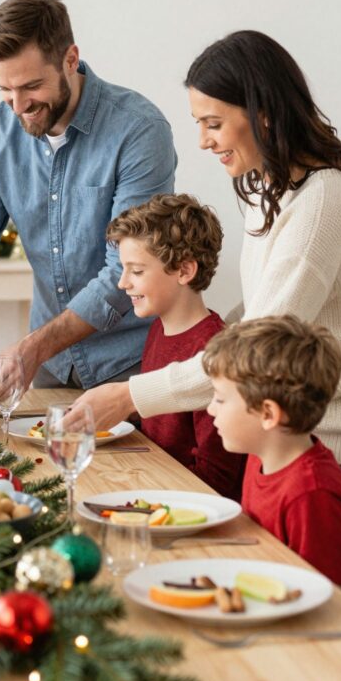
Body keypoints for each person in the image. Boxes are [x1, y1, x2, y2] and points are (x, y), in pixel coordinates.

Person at [72, 30, 341, 503]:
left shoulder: (324, 200)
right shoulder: (266, 189)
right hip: (293, 437)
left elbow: (261, 347)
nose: (203, 142)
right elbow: (260, 308)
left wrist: (130, 395)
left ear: (262, 115)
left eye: (213, 123)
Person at [0, 0, 176, 390]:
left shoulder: (138, 130)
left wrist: (34, 347)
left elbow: (125, 270)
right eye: (3, 89)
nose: (17, 106)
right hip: (50, 369)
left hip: (129, 366)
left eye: (31, 86)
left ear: (70, 59)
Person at [203, 316, 341, 600]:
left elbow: (336, 604)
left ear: (268, 414)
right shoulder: (260, 457)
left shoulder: (312, 496)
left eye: (220, 399)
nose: (210, 410)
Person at [106, 194, 244, 499]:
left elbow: (217, 479)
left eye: (137, 271)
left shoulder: (213, 351)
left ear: (184, 271)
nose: (122, 283)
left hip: (188, 511)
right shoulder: (158, 328)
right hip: (154, 492)